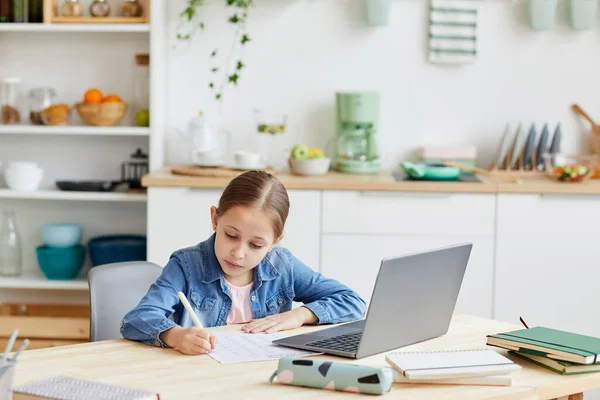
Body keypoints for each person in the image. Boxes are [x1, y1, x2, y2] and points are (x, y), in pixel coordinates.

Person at [120, 170, 366, 355]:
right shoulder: (186, 265)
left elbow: (353, 302)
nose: (238, 253)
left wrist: (301, 315)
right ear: (215, 219)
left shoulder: (282, 265)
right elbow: (136, 320)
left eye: (256, 245)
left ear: (274, 242)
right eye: (231, 236)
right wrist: (176, 336)